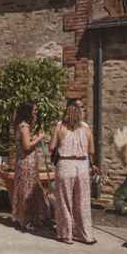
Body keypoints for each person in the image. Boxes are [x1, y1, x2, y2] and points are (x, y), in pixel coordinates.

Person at [49, 102, 98, 244]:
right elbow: (92, 151)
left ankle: (66, 235)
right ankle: (85, 235)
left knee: (65, 201)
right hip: (82, 166)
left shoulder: (60, 127)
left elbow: (52, 147)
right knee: (82, 202)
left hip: (65, 165)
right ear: (80, 115)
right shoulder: (86, 130)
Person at [11, 101, 50, 231]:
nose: (36, 112)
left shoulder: (24, 125)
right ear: (27, 111)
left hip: (26, 161)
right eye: (34, 110)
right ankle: (26, 220)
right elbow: (27, 146)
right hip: (26, 161)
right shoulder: (24, 127)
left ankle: (33, 217)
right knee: (27, 190)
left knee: (30, 188)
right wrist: (40, 137)